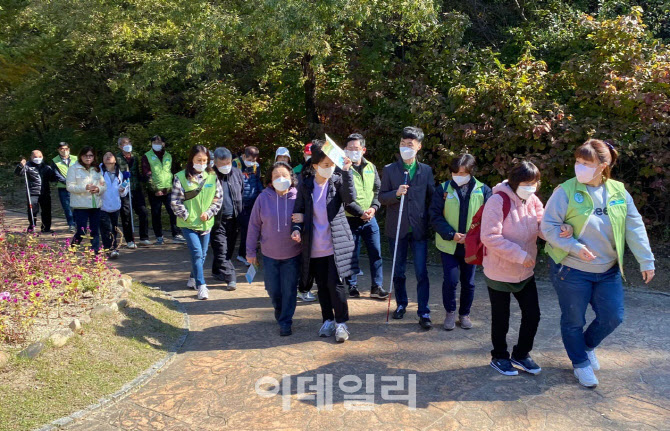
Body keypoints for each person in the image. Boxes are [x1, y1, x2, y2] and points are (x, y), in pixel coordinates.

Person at [541, 139, 655, 388]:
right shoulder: (565, 190)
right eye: (578, 161)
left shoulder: (618, 191)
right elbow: (547, 226)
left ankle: (587, 346)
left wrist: (646, 260)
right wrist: (575, 247)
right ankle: (580, 363)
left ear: (603, 165)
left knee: (613, 316)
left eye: (586, 163)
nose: (579, 167)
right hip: (571, 270)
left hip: (607, 270)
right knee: (573, 320)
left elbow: (633, 227)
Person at [480, 161, 545, 376]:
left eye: (534, 183)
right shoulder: (497, 201)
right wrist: (520, 255)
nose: (531, 187)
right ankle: (499, 356)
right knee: (501, 317)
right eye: (527, 183)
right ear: (515, 182)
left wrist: (558, 230)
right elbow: (489, 236)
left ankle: (521, 354)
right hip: (499, 270)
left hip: (525, 271)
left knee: (532, 314)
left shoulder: (533, 200)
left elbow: (541, 224)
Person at [291, 140, 356, 342]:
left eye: (331, 165)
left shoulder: (337, 181)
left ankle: (341, 323)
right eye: (325, 165)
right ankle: (327, 320)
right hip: (314, 245)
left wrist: (346, 172)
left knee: (335, 285)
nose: (329, 169)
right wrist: (296, 228)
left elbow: (349, 199)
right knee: (322, 286)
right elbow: (298, 211)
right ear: (315, 165)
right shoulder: (306, 185)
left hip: (335, 244)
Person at [379, 126, 435, 330]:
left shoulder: (426, 171)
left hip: (418, 230)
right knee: (398, 270)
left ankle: (424, 312)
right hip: (397, 229)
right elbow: (382, 197)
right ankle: (401, 304)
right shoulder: (390, 170)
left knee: (421, 272)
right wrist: (396, 193)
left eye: (410, 145)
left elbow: (431, 198)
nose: (406, 148)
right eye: (403, 144)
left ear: (419, 147)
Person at [430, 154, 492, 331]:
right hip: (448, 244)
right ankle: (450, 313)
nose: (458, 175)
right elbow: (434, 216)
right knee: (450, 281)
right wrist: (451, 234)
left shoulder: (483, 190)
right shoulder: (442, 189)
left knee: (469, 282)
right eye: (455, 172)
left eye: (462, 173)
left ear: (471, 172)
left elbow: (489, 218)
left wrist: (472, 237)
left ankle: (464, 314)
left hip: (471, 246)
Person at [247, 162, 302, 336]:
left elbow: (309, 219)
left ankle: (286, 321)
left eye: (284, 175)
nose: (280, 179)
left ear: (291, 178)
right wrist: (250, 252)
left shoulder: (298, 197)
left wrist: (302, 224)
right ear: (270, 180)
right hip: (269, 255)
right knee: (273, 290)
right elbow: (254, 225)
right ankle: (280, 311)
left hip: (293, 254)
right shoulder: (263, 198)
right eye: (276, 176)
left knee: (289, 289)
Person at [170, 145, 223, 300]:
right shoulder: (180, 177)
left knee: (203, 254)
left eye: (205, 160)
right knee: (197, 253)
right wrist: (187, 216)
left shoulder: (212, 177)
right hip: (188, 224)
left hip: (206, 223)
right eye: (199, 160)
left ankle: (193, 277)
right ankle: (201, 285)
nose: (202, 163)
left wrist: (209, 212)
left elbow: (218, 198)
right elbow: (175, 201)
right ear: (191, 159)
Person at [341, 133, 388, 300]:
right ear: (344, 150)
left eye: (357, 148)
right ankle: (352, 286)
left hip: (370, 218)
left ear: (363, 150)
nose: (353, 151)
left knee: (376, 252)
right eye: (350, 148)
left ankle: (377, 286)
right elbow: (344, 198)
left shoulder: (371, 167)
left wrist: (374, 208)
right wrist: (361, 213)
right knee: (351, 254)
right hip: (350, 218)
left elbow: (378, 191)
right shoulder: (341, 169)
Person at [142, 135, 186, 245]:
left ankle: (176, 234)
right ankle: (159, 236)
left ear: (163, 143)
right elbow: (146, 173)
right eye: (154, 142)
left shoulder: (169, 156)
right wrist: (155, 189)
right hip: (155, 190)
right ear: (151, 144)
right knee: (156, 213)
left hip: (169, 189)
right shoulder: (147, 156)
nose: (157, 143)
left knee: (173, 211)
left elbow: (173, 171)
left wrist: (175, 186)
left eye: (159, 141)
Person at [211, 147, 244, 290]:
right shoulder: (210, 176)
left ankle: (217, 271)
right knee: (221, 249)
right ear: (215, 163)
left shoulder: (237, 173)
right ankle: (231, 277)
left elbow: (241, 192)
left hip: (234, 219)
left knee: (228, 249)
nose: (226, 166)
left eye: (228, 162)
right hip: (216, 221)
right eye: (222, 164)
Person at [66, 146, 107, 252]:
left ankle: (95, 252)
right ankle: (72, 250)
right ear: (81, 156)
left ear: (94, 157)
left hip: (95, 204)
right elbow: (69, 187)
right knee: (81, 231)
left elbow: (104, 185)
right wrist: (85, 188)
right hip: (81, 205)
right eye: (85, 155)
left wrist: (98, 189)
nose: (88, 158)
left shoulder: (97, 169)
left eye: (91, 155)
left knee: (95, 230)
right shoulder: (74, 168)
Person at [116, 136, 150, 248]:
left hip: (136, 188)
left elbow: (139, 172)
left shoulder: (135, 157)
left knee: (143, 212)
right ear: (120, 146)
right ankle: (130, 239)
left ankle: (144, 237)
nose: (127, 144)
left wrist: (144, 178)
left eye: (129, 142)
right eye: (124, 143)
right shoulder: (117, 158)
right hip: (124, 190)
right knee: (126, 214)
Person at [232, 146, 263, 265]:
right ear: (244, 156)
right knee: (245, 228)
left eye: (254, 159)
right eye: (250, 159)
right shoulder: (235, 164)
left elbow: (257, 181)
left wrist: (262, 193)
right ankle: (243, 254)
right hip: (240, 202)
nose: (252, 162)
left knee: (250, 229)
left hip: (253, 201)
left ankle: (243, 254)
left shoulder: (256, 166)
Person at [15, 150, 55, 233]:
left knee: (46, 211)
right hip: (33, 192)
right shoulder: (27, 166)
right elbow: (18, 173)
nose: (38, 158)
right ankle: (32, 226)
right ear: (31, 157)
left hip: (45, 192)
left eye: (40, 157)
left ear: (43, 157)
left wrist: (55, 172)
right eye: (35, 157)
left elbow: (53, 178)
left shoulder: (46, 167)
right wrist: (20, 166)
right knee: (32, 210)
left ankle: (46, 228)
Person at [99, 152, 129, 259]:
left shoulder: (120, 174)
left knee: (114, 229)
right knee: (106, 228)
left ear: (115, 160)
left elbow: (124, 193)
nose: (108, 157)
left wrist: (123, 189)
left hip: (115, 206)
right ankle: (111, 249)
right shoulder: (98, 172)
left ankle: (112, 247)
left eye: (110, 155)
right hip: (102, 206)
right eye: (105, 155)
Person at [51, 142, 76, 232]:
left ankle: (77, 223)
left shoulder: (75, 158)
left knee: (77, 206)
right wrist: (67, 182)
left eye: (66, 149)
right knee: (67, 207)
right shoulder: (55, 160)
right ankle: (71, 224)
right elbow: (56, 174)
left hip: (76, 186)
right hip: (63, 187)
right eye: (62, 149)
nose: (64, 151)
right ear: (58, 150)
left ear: (69, 149)